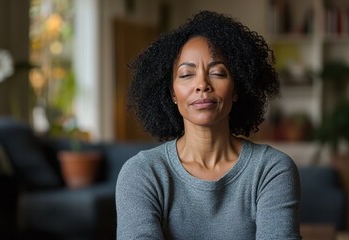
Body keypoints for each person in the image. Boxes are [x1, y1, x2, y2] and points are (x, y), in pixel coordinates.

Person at [116, 10, 301, 240]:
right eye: (186, 75)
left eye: (217, 72)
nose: (202, 84)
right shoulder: (142, 173)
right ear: (172, 93)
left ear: (236, 89)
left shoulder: (271, 170)